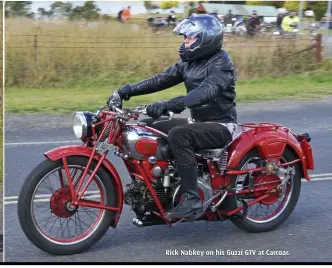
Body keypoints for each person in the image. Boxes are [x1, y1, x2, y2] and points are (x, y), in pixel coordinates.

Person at [107, 14, 238, 220]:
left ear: (206, 39)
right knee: (148, 126)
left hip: (220, 125)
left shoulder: (221, 63)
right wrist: (126, 91)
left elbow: (206, 91)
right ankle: (157, 192)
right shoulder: (189, 62)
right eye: (184, 37)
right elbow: (161, 79)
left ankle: (192, 199)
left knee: (179, 135)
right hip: (197, 123)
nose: (184, 42)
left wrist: (171, 104)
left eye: (189, 38)